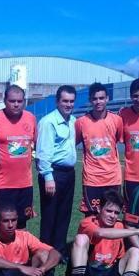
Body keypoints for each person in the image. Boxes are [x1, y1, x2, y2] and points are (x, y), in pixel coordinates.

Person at [0, 85, 37, 229]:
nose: (16, 104)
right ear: (4, 100)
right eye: (12, 101)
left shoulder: (31, 118)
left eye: (19, 101)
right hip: (1, 184)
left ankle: (21, 252)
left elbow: (36, 144)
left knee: (22, 224)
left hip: (25, 183)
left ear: (24, 101)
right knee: (0, 225)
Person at [36, 85, 77, 262]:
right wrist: (48, 176)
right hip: (53, 173)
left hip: (69, 173)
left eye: (71, 101)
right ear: (57, 101)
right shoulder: (48, 122)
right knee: (50, 215)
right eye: (65, 101)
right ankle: (45, 251)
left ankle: (59, 251)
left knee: (64, 214)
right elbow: (43, 152)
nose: (68, 104)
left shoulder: (74, 120)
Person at [75, 82, 123, 215]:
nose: (98, 101)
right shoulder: (81, 122)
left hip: (113, 177)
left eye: (101, 98)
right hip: (92, 178)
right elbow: (74, 142)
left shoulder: (117, 120)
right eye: (95, 98)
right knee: (91, 216)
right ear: (90, 100)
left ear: (107, 98)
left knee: (112, 215)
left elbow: (117, 139)